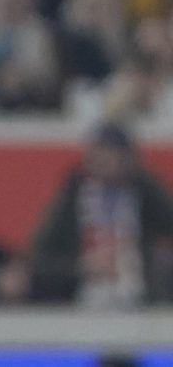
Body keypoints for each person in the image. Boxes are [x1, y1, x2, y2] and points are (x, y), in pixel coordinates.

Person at [29, 122, 173, 307]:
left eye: (111, 155)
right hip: (80, 297)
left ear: (129, 158)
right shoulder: (74, 196)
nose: (103, 162)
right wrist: (79, 266)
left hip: (139, 294)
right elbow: (40, 255)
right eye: (98, 155)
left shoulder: (144, 192)